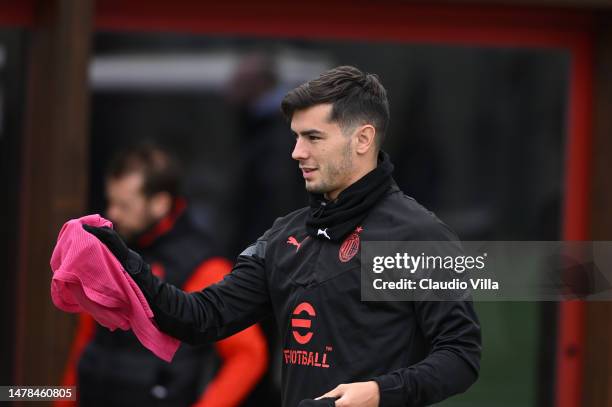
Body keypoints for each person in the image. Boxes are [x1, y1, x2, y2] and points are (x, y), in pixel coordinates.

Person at [84, 66, 481, 407]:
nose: (296, 152)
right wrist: (129, 266)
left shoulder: (417, 236)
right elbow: (200, 318)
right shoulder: (286, 236)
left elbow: (461, 356)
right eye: (295, 137)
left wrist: (380, 392)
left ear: (362, 140)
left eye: (313, 137)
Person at [59, 145, 268, 406]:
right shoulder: (112, 245)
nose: (113, 213)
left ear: (159, 204)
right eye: (110, 201)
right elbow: (86, 339)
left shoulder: (201, 265)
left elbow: (248, 354)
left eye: (124, 205)